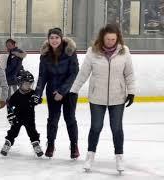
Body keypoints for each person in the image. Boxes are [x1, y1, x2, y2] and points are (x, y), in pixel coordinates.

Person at [70, 24, 135, 173]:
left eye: (113, 39)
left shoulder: (124, 52)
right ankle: (90, 156)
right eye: (108, 39)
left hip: (117, 97)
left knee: (117, 128)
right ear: (102, 38)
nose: (111, 41)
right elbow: (83, 73)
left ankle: (119, 157)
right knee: (96, 127)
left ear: (118, 38)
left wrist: (131, 92)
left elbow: (129, 74)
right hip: (97, 97)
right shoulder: (92, 52)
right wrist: (74, 90)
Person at [32, 28, 80, 159]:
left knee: (70, 118)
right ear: (48, 39)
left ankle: (74, 145)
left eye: (56, 38)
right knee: (52, 119)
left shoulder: (70, 52)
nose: (54, 40)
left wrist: (62, 91)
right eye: (51, 38)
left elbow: (74, 73)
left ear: (61, 38)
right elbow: (42, 76)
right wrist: (37, 93)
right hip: (52, 91)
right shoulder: (45, 55)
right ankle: (51, 144)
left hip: (69, 92)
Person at [0, 70, 43, 157]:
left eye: (30, 83)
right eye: (26, 83)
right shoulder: (15, 95)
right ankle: (7, 144)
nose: (29, 85)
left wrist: (38, 100)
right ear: (20, 83)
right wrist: (10, 114)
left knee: (32, 132)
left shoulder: (32, 93)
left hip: (29, 118)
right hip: (17, 118)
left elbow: (38, 100)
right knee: (13, 132)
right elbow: (10, 105)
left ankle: (36, 145)